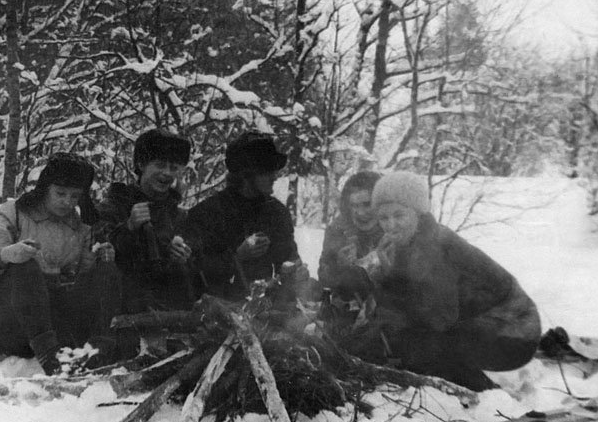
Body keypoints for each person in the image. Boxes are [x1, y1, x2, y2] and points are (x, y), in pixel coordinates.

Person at [349, 171, 541, 391]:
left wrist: (387, 285)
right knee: (399, 338)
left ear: (418, 213)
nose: (390, 225)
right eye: (384, 218)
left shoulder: (433, 247)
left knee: (422, 345)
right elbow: (403, 300)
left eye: (399, 215)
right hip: (491, 327)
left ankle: (484, 393)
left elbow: (437, 319)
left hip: (515, 334)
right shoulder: (406, 244)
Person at [0, 153, 118, 376]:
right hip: (6, 322)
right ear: (45, 187)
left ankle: (97, 350)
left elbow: (76, 284)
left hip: (52, 320)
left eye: (74, 196)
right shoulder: (14, 213)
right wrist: (9, 254)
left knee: (107, 269)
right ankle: (52, 360)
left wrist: (91, 264)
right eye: (60, 193)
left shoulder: (79, 227)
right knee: (25, 266)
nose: (67, 202)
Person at [186, 131, 308, 302]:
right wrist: (238, 257)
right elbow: (194, 272)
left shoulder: (277, 213)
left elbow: (289, 257)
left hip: (269, 313)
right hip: (219, 312)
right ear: (246, 174)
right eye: (266, 171)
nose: (275, 176)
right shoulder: (207, 213)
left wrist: (296, 272)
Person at [96, 129, 195, 311]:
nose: (166, 173)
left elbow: (197, 271)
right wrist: (129, 228)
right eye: (159, 165)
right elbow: (98, 254)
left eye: (174, 168)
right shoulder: (114, 206)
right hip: (122, 308)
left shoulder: (179, 216)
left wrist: (182, 258)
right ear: (141, 165)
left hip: (171, 312)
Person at [318, 171, 383, 303]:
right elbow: (324, 281)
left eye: (367, 204)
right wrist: (339, 267)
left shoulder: (395, 230)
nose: (360, 213)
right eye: (354, 205)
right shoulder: (338, 231)